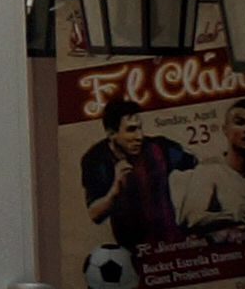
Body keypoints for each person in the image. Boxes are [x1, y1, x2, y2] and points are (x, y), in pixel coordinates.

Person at [80, 96, 193, 247]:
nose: (139, 136)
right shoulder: (96, 159)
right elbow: (94, 214)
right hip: (135, 252)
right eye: (131, 130)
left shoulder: (158, 148)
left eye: (140, 128)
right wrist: (115, 191)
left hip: (173, 242)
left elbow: (199, 165)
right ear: (111, 133)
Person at [190, 99, 245, 227]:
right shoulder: (208, 171)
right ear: (225, 129)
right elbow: (191, 219)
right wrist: (231, 216)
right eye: (240, 123)